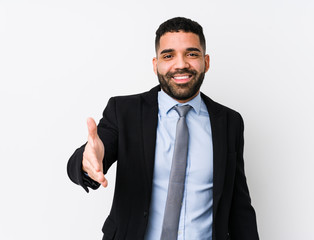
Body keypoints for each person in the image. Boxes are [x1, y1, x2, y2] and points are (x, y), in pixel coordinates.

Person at [67, 17, 259, 240]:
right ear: (155, 64)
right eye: (168, 56)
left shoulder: (229, 122)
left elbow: (239, 207)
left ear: (206, 62)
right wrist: (86, 162)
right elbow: (89, 157)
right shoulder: (124, 111)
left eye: (192, 54)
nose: (180, 64)